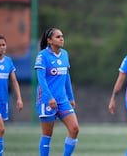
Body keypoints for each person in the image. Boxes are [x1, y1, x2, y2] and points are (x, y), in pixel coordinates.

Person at [34, 28, 79, 156]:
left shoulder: (65, 54)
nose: (61, 39)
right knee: (47, 135)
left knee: (74, 129)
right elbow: (41, 79)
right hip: (47, 100)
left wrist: (71, 97)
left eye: (62, 36)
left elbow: (67, 77)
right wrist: (49, 98)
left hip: (62, 100)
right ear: (49, 40)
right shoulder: (42, 55)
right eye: (58, 37)